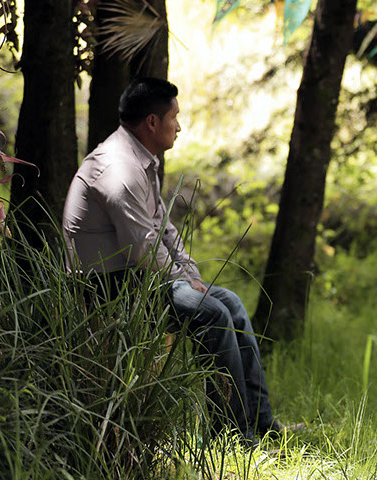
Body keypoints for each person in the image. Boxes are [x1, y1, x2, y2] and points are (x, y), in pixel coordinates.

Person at [62, 77, 285, 444]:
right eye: (174, 117)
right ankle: (233, 435)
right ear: (152, 122)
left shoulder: (139, 158)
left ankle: (262, 423)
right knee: (213, 313)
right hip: (107, 285)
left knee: (231, 303)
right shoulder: (120, 169)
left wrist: (190, 273)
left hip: (135, 275)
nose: (179, 126)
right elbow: (142, 248)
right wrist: (183, 279)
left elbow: (163, 228)